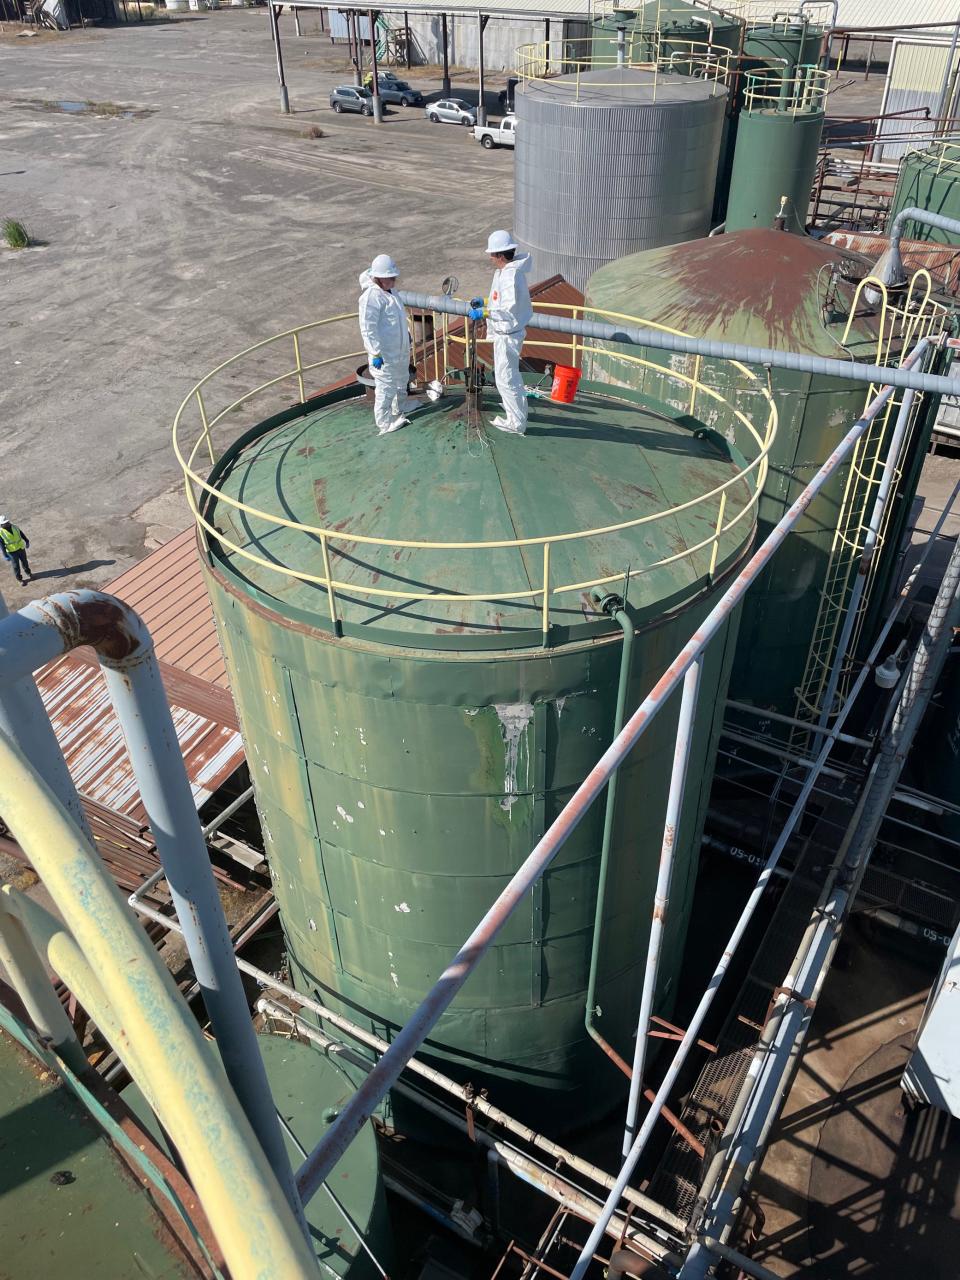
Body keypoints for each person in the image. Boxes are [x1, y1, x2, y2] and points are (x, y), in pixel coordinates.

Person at [469, 230, 533, 436]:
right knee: (508, 377)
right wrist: (486, 302)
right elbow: (501, 300)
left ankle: (515, 423)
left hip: (508, 335)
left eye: (493, 254)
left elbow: (507, 309)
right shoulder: (508, 271)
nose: (490, 258)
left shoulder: (510, 275)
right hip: (507, 333)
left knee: (506, 379)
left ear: (500, 255)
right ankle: (514, 411)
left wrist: (484, 312)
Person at [358, 254, 421, 436]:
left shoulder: (389, 291)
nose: (394, 281)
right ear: (379, 277)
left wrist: (406, 334)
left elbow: (397, 317)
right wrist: (375, 353)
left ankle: (400, 407)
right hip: (384, 354)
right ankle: (384, 423)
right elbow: (367, 328)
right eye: (390, 278)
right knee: (385, 388)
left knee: (401, 380)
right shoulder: (371, 298)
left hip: (399, 350)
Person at [0, 516, 32, 584]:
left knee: (25, 562)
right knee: (16, 566)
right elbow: (2, 545)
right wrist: (5, 555)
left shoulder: (14, 527)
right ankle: (20, 579)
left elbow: (21, 533)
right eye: (5, 523)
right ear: (1, 524)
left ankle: (29, 573)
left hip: (21, 548)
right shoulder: (1, 533)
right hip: (12, 552)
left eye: (7, 522)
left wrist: (27, 541)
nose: (7, 523)